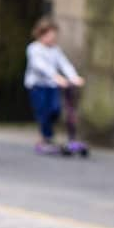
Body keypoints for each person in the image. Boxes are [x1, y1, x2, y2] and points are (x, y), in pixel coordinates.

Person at [24, 16, 85, 156]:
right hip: (37, 86)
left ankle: (51, 136)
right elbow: (40, 66)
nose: (52, 39)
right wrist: (56, 77)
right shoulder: (34, 49)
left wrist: (74, 77)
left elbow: (64, 64)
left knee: (55, 110)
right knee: (43, 112)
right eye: (50, 36)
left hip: (52, 86)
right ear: (41, 35)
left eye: (54, 36)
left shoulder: (55, 50)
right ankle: (46, 138)